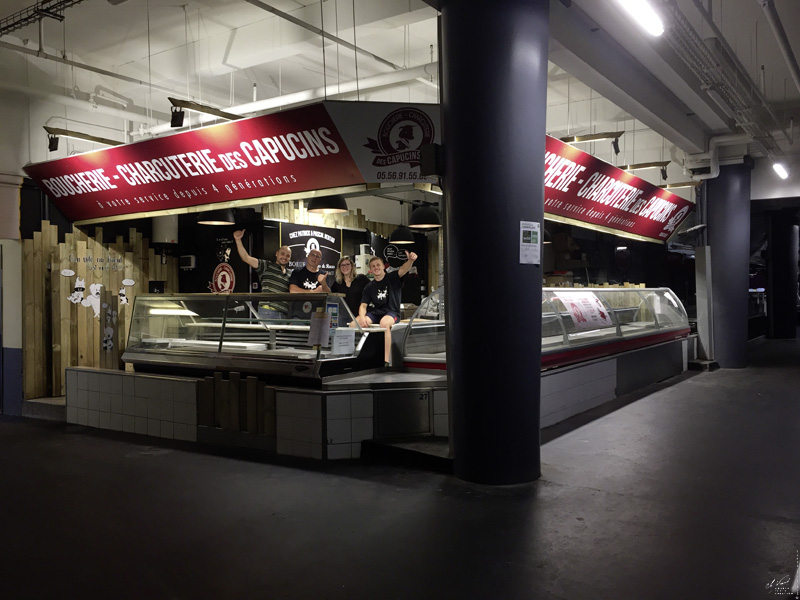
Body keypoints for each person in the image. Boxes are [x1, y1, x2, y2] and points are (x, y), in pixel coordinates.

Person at [353, 251, 418, 367]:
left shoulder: (392, 277)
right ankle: (354, 358)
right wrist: (362, 318)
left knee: (384, 323)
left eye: (378, 265)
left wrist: (410, 261)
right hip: (376, 313)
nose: (376, 267)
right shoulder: (369, 286)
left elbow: (404, 269)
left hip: (391, 312)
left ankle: (386, 361)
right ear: (370, 270)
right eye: (373, 266)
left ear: (383, 266)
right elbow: (363, 305)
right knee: (354, 324)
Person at [233, 229, 291, 319]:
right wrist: (238, 240)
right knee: (267, 334)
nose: (285, 257)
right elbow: (246, 258)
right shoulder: (266, 265)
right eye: (282, 254)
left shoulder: (290, 273)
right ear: (277, 254)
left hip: (284, 314)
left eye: (288, 255)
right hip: (268, 312)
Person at [330, 255, 370, 321]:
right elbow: (331, 298)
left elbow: (372, 291)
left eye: (347, 264)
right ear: (339, 268)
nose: (345, 267)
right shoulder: (337, 283)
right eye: (342, 265)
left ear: (352, 266)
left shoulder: (362, 279)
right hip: (343, 318)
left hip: (360, 317)